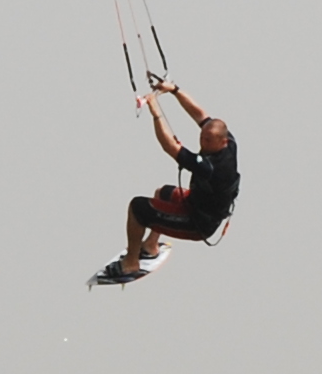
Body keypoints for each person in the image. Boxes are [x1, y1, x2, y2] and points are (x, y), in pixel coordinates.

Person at [95, 79, 237, 285]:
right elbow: (199, 114)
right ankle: (150, 246)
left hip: (198, 223)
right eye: (202, 137)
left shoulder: (212, 166)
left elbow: (169, 147)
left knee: (138, 208)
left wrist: (156, 113)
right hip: (198, 203)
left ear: (221, 142)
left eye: (208, 141)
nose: (202, 143)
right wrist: (174, 90)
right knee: (162, 192)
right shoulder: (229, 142)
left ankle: (131, 262)